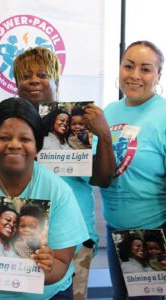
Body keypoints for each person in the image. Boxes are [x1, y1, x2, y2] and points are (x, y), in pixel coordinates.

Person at [0, 97, 89, 300]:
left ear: (38, 146)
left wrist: (48, 268)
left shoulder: (58, 191)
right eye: (4, 138)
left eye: (25, 139)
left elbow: (61, 262)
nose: (14, 145)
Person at [14, 46, 115, 299]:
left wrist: (103, 135)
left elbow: (102, 179)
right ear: (16, 83)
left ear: (56, 80)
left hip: (73, 237)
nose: (34, 80)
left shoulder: (77, 124)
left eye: (42, 74)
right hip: (23, 235)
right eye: (26, 76)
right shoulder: (9, 125)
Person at [101, 40, 166, 300]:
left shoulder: (163, 114)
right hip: (114, 228)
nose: (135, 75)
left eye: (146, 69)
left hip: (153, 231)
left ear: (158, 75)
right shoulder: (108, 112)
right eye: (128, 66)